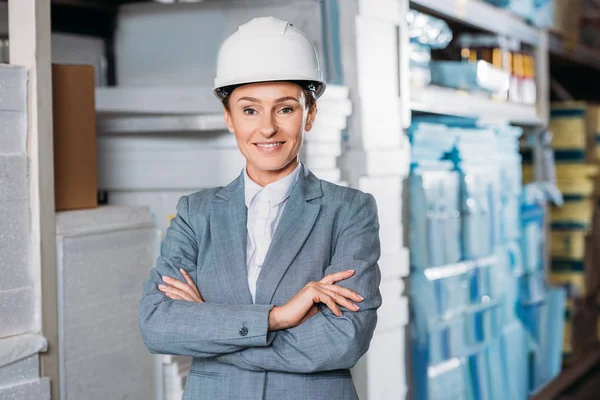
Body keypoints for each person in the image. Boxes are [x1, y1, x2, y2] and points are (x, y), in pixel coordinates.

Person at [138, 16, 382, 400]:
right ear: (229, 119)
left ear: (311, 114)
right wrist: (278, 318)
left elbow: (343, 339)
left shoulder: (349, 211)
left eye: (285, 109)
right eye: (249, 110)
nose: (267, 128)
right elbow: (157, 325)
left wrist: (212, 328)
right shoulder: (195, 213)